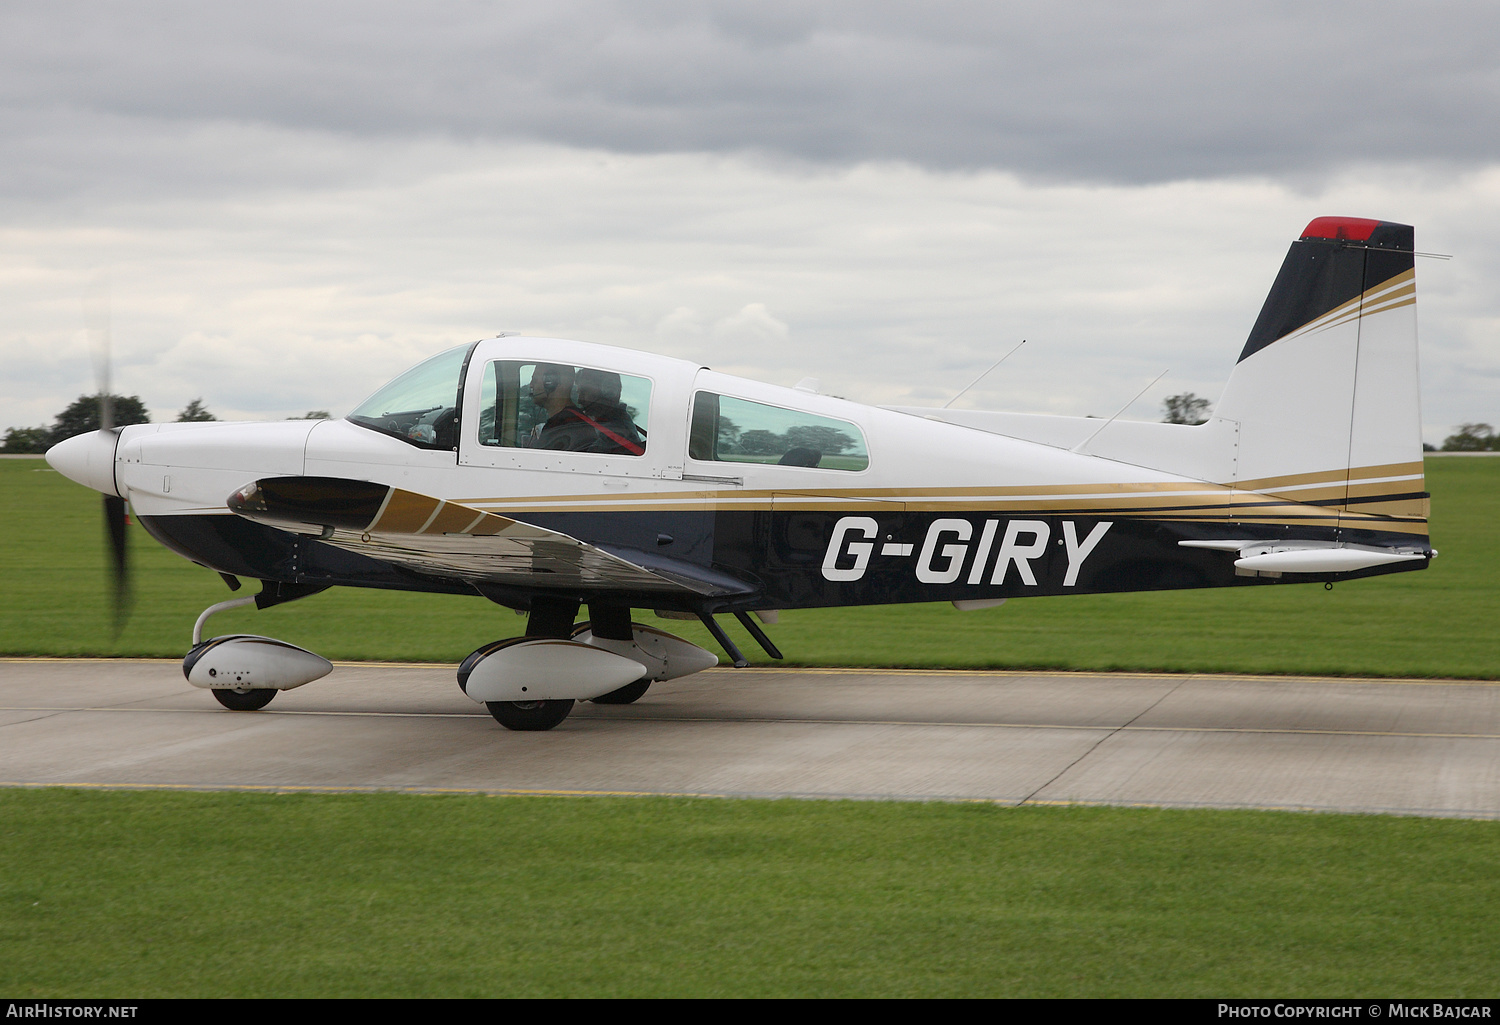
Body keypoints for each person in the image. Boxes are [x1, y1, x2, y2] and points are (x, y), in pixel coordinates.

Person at [574, 368, 645, 455]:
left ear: (608, 391)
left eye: (584, 392)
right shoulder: (617, 424)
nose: (579, 401)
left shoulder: (613, 433)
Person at [526, 364, 596, 450]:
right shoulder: (564, 423)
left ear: (552, 383)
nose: (531, 385)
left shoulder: (566, 427)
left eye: (535, 380)